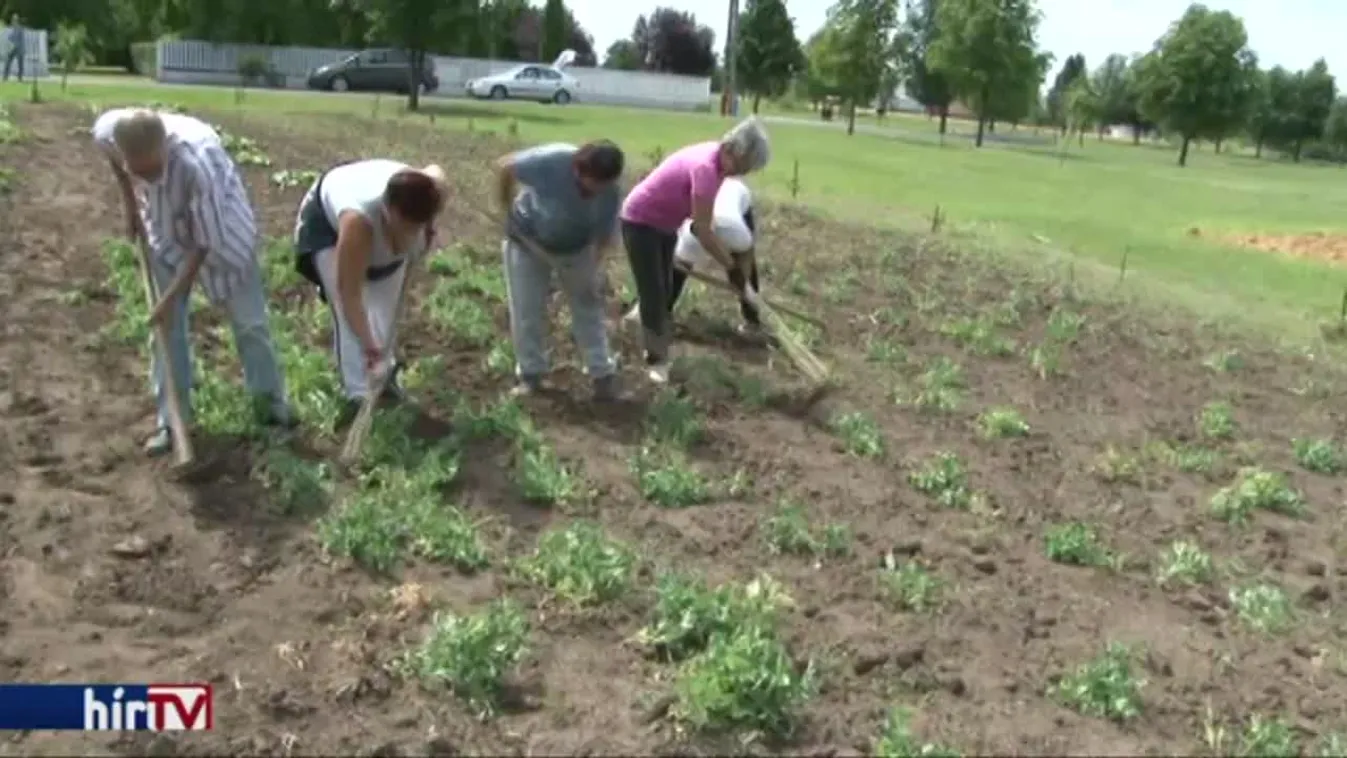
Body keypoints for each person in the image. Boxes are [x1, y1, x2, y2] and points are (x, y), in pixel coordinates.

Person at [91, 108, 294, 456]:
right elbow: (116, 165)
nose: (144, 176)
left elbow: (203, 245)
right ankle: (172, 422)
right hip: (166, 230)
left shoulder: (198, 166)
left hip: (222, 233)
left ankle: (271, 406)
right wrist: (131, 205)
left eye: (150, 170)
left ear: (163, 150)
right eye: (137, 170)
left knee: (250, 325)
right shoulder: (108, 134)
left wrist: (168, 299)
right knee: (167, 335)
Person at [292, 159, 447, 426]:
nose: (411, 233)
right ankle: (358, 396)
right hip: (328, 228)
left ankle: (384, 381)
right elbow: (349, 295)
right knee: (350, 317)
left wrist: (415, 240)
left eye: (416, 227)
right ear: (388, 211)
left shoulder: (432, 193)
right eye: (405, 226)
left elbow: (436, 170)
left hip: (388, 222)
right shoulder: (357, 220)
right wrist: (369, 344)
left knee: (385, 316)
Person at [618, 116, 771, 383]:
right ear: (735, 150)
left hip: (665, 225)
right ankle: (657, 361)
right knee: (654, 294)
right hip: (641, 222)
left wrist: (732, 268)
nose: (743, 174)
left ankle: (636, 328)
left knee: (664, 288)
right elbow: (701, 229)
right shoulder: (706, 169)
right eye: (745, 166)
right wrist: (731, 267)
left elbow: (702, 222)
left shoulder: (718, 161)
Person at [495, 140, 625, 401]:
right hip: (527, 241)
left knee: (588, 306)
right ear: (578, 170)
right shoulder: (552, 160)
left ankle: (602, 374)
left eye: (602, 186)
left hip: (575, 249)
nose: (595, 191)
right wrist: (506, 211)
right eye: (591, 184)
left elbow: (602, 239)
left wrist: (592, 271)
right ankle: (530, 375)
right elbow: (505, 167)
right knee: (526, 309)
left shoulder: (610, 194)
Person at [625, 176, 761, 335]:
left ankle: (752, 320)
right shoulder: (690, 237)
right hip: (703, 208)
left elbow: (747, 258)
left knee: (743, 273)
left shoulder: (740, 236)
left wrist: (741, 280)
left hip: (736, 198)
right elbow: (674, 267)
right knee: (676, 271)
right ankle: (661, 312)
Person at [3, 15, 23, 82]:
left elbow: (20, 40)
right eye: (13, 20)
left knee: (20, 63)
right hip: (11, 48)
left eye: (15, 20)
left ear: (17, 21)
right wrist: (10, 46)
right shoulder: (11, 29)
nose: (13, 22)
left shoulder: (20, 29)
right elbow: (9, 39)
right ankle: (5, 77)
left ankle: (20, 77)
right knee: (8, 62)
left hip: (18, 49)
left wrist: (15, 45)